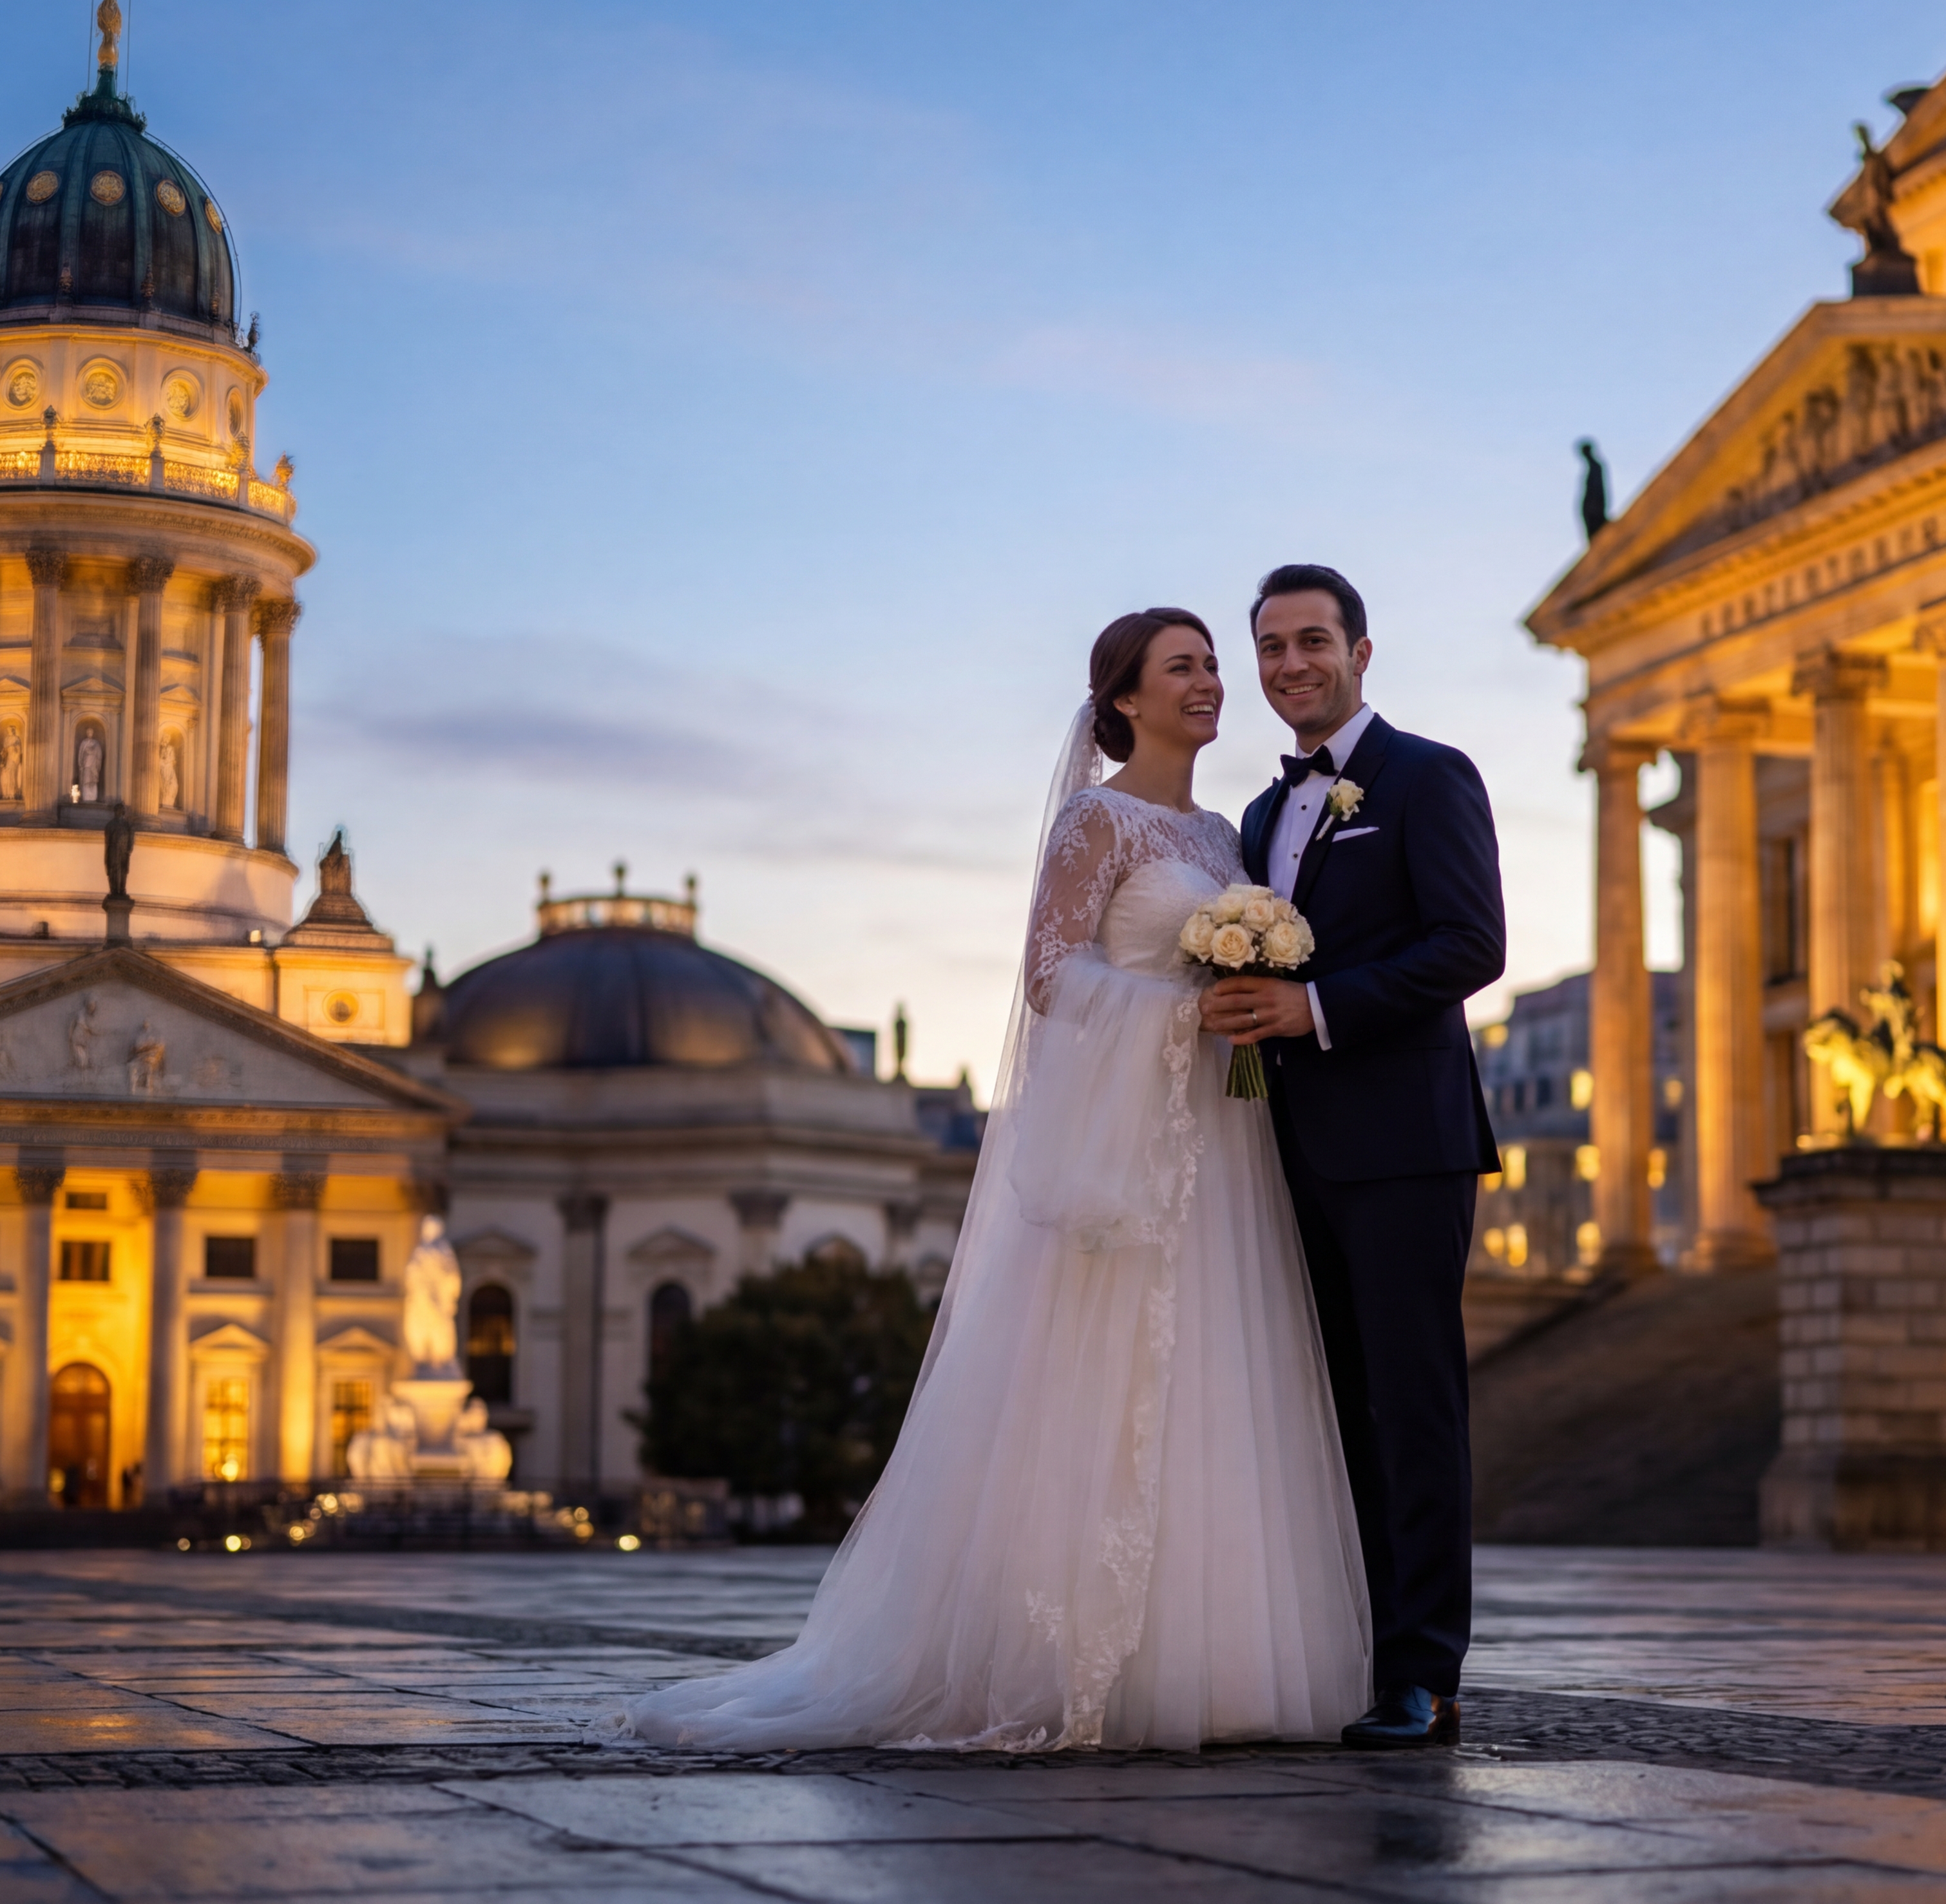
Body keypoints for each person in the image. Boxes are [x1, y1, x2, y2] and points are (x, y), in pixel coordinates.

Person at [616, 609, 1368, 1751]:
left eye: (1216, 663)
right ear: (1124, 699)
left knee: (1222, 1374)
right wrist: (1181, 1011)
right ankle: (1063, 1655)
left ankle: (1221, 1658)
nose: (1212, 682)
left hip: (1224, 1146)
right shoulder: (1095, 820)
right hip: (1127, 1146)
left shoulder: (1230, 834)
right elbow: (1050, 975)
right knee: (1099, 1381)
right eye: (1186, 667)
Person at [1211, 564, 1505, 1749]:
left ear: (1362, 651)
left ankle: (1424, 1673)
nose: (1292, 666)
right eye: (1272, 648)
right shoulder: (1256, 815)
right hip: (1285, 1150)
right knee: (1330, 1413)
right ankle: (1355, 1655)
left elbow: (1469, 945)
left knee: (1412, 1409)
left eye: (1312, 642)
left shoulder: (1429, 776)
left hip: (1403, 1146)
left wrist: (1314, 1010)